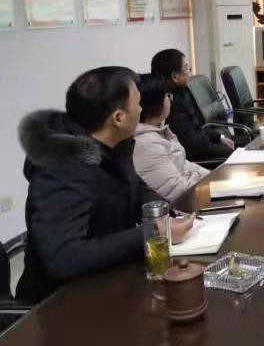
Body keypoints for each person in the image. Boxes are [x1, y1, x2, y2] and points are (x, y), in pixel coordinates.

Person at [16, 67, 194, 304]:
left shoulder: (114, 143)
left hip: (110, 278)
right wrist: (152, 232)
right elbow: (65, 258)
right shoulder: (63, 168)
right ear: (118, 118)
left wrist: (164, 212)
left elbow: (135, 187)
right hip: (61, 303)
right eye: (137, 104)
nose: (141, 110)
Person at [133, 74, 210, 202]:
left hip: (192, 192)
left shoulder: (157, 130)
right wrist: (212, 184)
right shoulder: (145, 144)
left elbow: (183, 164)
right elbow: (179, 192)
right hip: (184, 205)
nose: (170, 100)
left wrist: (212, 177)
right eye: (167, 96)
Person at [150, 49, 234, 162]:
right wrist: (230, 153)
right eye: (187, 68)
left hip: (203, 146)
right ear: (174, 76)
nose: (190, 71)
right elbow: (194, 147)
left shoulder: (183, 93)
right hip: (196, 159)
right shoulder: (170, 104)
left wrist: (219, 137)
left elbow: (198, 128)